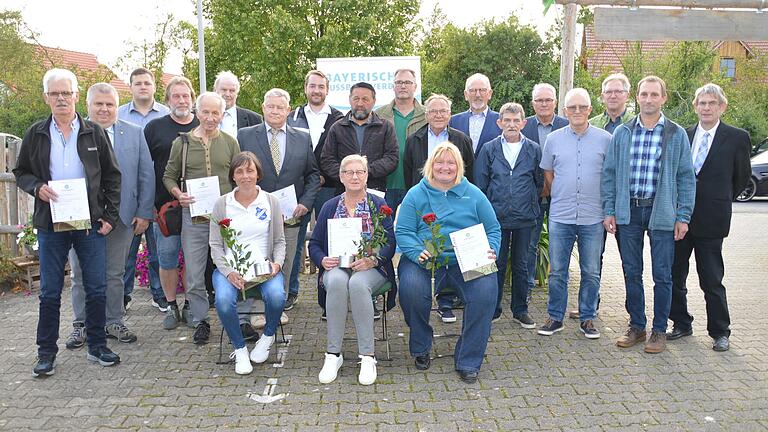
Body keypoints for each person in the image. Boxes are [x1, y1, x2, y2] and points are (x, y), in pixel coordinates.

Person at [14, 68, 122, 376]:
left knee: (97, 287)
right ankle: (46, 352)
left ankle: (98, 346)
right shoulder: (35, 133)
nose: (61, 98)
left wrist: (110, 217)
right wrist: (37, 188)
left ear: (76, 95)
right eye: (55, 93)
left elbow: (113, 176)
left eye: (66, 93)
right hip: (51, 224)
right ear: (46, 97)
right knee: (49, 290)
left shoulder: (93, 132)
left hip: (89, 225)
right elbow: (21, 172)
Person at [602, 75, 696, 354]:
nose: (648, 99)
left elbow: (686, 178)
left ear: (664, 98)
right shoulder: (623, 133)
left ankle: (659, 330)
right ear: (637, 98)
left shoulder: (676, 134)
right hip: (628, 210)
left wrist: (684, 216)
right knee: (632, 271)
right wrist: (609, 209)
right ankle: (637, 325)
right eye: (644, 94)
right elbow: (609, 174)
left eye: (655, 95)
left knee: (663, 275)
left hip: (662, 212)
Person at [396, 142, 501, 384]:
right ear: (430, 165)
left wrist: (491, 249)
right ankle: (421, 346)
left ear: (459, 167)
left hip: (468, 259)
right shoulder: (416, 194)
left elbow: (493, 229)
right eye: (440, 162)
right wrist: (415, 251)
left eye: (451, 162)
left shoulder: (474, 194)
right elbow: (403, 231)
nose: (445, 167)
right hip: (425, 258)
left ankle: (468, 359)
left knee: (486, 293)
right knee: (411, 289)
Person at [66, 83, 155, 348]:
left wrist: (143, 212)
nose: (104, 109)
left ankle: (113, 320)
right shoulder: (72, 134)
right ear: (88, 106)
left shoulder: (135, 134)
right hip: (81, 218)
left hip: (123, 216)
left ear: (118, 107)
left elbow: (145, 174)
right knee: (80, 274)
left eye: (110, 104)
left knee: (115, 272)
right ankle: (81, 324)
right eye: (99, 104)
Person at [668, 83, 751, 352]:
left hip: (712, 220)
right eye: (701, 103)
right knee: (674, 274)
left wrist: (719, 198)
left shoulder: (737, 138)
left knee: (712, 279)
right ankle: (680, 322)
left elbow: (740, 179)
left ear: (722, 107)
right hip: (680, 218)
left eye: (711, 103)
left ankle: (720, 331)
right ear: (695, 106)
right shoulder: (683, 134)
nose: (706, 108)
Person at [309, 155, 396, 386]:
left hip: (370, 268)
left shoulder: (379, 206)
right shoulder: (330, 206)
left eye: (360, 172)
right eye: (349, 172)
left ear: (367, 175)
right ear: (341, 176)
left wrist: (373, 260)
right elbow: (314, 244)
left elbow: (390, 242)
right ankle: (332, 354)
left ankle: (367, 356)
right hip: (337, 266)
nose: (355, 176)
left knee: (357, 284)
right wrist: (322, 259)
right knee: (337, 281)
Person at [163, 92, 241, 345]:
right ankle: (200, 320)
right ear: (197, 113)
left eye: (215, 113)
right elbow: (169, 176)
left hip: (225, 217)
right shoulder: (182, 143)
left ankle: (237, 318)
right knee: (195, 273)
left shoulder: (230, 142)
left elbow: (239, 177)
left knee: (232, 265)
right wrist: (178, 194)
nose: (210, 117)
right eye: (205, 112)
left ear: (222, 114)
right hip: (193, 217)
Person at [536, 88, 611, 339]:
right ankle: (555, 317)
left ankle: (587, 317)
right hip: (561, 215)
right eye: (572, 107)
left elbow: (610, 177)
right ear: (564, 110)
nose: (577, 111)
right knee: (558, 270)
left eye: (582, 107)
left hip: (593, 217)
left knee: (591, 270)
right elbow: (548, 174)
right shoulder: (554, 139)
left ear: (590, 109)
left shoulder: (605, 139)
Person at [239, 88, 320, 312]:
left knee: (285, 261)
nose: (275, 111)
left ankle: (278, 305)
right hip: (255, 212)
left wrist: (305, 202)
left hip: (291, 214)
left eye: (280, 107)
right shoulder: (245, 135)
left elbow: (313, 175)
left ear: (288, 110)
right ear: (263, 108)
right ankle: (256, 306)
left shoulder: (303, 138)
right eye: (270, 106)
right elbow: (237, 173)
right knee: (257, 257)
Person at [210, 152, 286, 375]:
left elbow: (280, 241)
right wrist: (228, 272)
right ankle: (240, 349)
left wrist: (277, 265)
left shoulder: (271, 201)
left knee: (276, 296)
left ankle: (268, 336)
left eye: (250, 170)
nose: (245, 176)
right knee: (223, 301)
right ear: (233, 175)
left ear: (258, 174)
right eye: (240, 171)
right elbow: (215, 244)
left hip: (264, 269)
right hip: (231, 271)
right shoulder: (222, 204)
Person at [474, 102, 542, 326]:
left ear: (524, 123)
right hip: (496, 219)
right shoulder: (489, 148)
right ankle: (493, 308)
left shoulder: (533, 149)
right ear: (499, 122)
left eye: (516, 121)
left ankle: (520, 310)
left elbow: (539, 183)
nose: (512, 125)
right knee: (495, 264)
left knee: (522, 265)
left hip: (525, 219)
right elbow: (481, 184)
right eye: (507, 120)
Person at [287, 70, 345, 316]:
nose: (317, 91)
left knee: (331, 241)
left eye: (321, 86)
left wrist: (323, 175)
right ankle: (289, 292)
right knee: (293, 240)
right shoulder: (293, 116)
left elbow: (341, 152)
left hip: (329, 187)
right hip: (297, 190)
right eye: (312, 86)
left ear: (327, 90)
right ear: (305, 88)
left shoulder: (339, 118)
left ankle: (331, 293)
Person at [145, 76, 199, 331]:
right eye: (176, 96)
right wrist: (149, 205)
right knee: (167, 259)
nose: (181, 100)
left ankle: (189, 304)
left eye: (185, 95)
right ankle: (170, 305)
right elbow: (145, 170)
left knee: (193, 258)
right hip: (165, 207)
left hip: (198, 207)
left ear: (192, 98)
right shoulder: (154, 128)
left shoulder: (202, 124)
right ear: (167, 101)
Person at [118, 67, 169, 313]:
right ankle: (122, 297)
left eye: (147, 83)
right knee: (125, 253)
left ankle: (159, 295)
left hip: (159, 195)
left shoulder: (167, 115)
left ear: (154, 87)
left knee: (157, 252)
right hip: (128, 195)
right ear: (130, 87)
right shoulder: (116, 116)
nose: (142, 87)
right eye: (137, 83)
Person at [520, 83, 569, 306]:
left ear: (555, 102)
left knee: (561, 245)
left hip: (561, 197)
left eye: (548, 100)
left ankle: (559, 292)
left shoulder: (567, 125)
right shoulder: (524, 126)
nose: (543, 104)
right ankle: (527, 288)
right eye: (539, 100)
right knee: (530, 245)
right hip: (532, 196)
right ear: (533, 103)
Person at [321, 82, 399, 194]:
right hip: (343, 192)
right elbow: (327, 160)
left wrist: (365, 171)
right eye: (356, 98)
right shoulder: (337, 128)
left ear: (374, 101)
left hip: (375, 191)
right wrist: (348, 175)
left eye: (365, 99)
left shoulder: (385, 127)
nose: (360, 103)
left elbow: (392, 158)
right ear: (350, 100)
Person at [375, 68, 427, 213]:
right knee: (384, 231)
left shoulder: (427, 115)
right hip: (386, 184)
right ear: (393, 86)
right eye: (399, 82)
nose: (403, 86)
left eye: (407, 82)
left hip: (416, 185)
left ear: (415, 87)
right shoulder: (379, 115)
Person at [403, 94, 473, 189]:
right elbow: (408, 174)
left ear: (449, 114)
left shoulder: (463, 140)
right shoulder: (413, 140)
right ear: (426, 115)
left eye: (443, 111)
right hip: (423, 194)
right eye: (433, 111)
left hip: (454, 195)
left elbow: (469, 172)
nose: (438, 115)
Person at [448, 73, 501, 155]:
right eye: (473, 90)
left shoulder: (501, 120)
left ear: (490, 94)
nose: (478, 95)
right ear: (466, 95)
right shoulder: (454, 121)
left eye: (482, 90)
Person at [213, 70, 263, 139]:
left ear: (237, 93)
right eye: (224, 90)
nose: (227, 94)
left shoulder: (254, 119)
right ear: (216, 91)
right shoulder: (200, 117)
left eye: (232, 91)